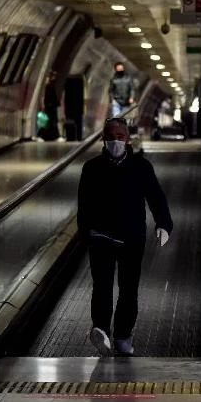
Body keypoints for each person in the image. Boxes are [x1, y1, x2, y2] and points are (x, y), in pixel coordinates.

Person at [77, 117, 172, 357]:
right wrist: (85, 232)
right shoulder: (92, 167)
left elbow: (156, 197)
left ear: (128, 138)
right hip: (101, 237)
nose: (115, 141)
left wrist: (164, 225)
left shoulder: (141, 167)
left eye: (120, 137)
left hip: (131, 237)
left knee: (128, 289)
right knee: (102, 286)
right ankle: (101, 329)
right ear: (103, 139)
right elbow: (84, 204)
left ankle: (122, 335)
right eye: (110, 137)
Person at [41, 71, 60, 141]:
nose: (54, 78)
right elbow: (51, 97)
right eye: (53, 76)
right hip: (51, 106)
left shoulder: (49, 86)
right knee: (52, 121)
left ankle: (49, 135)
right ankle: (51, 135)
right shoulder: (50, 86)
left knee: (50, 121)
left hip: (50, 106)